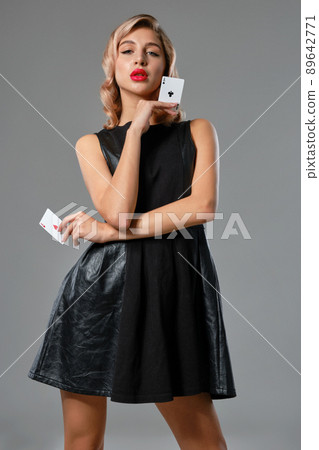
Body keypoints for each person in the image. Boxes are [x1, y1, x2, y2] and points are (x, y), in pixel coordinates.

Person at [28, 13, 236, 450]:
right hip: (98, 298)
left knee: (204, 442)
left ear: (167, 69)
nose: (140, 58)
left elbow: (201, 208)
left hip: (170, 291)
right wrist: (137, 126)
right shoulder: (92, 144)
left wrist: (110, 233)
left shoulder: (198, 132)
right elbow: (118, 212)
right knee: (82, 443)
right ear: (113, 66)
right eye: (128, 51)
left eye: (152, 52)